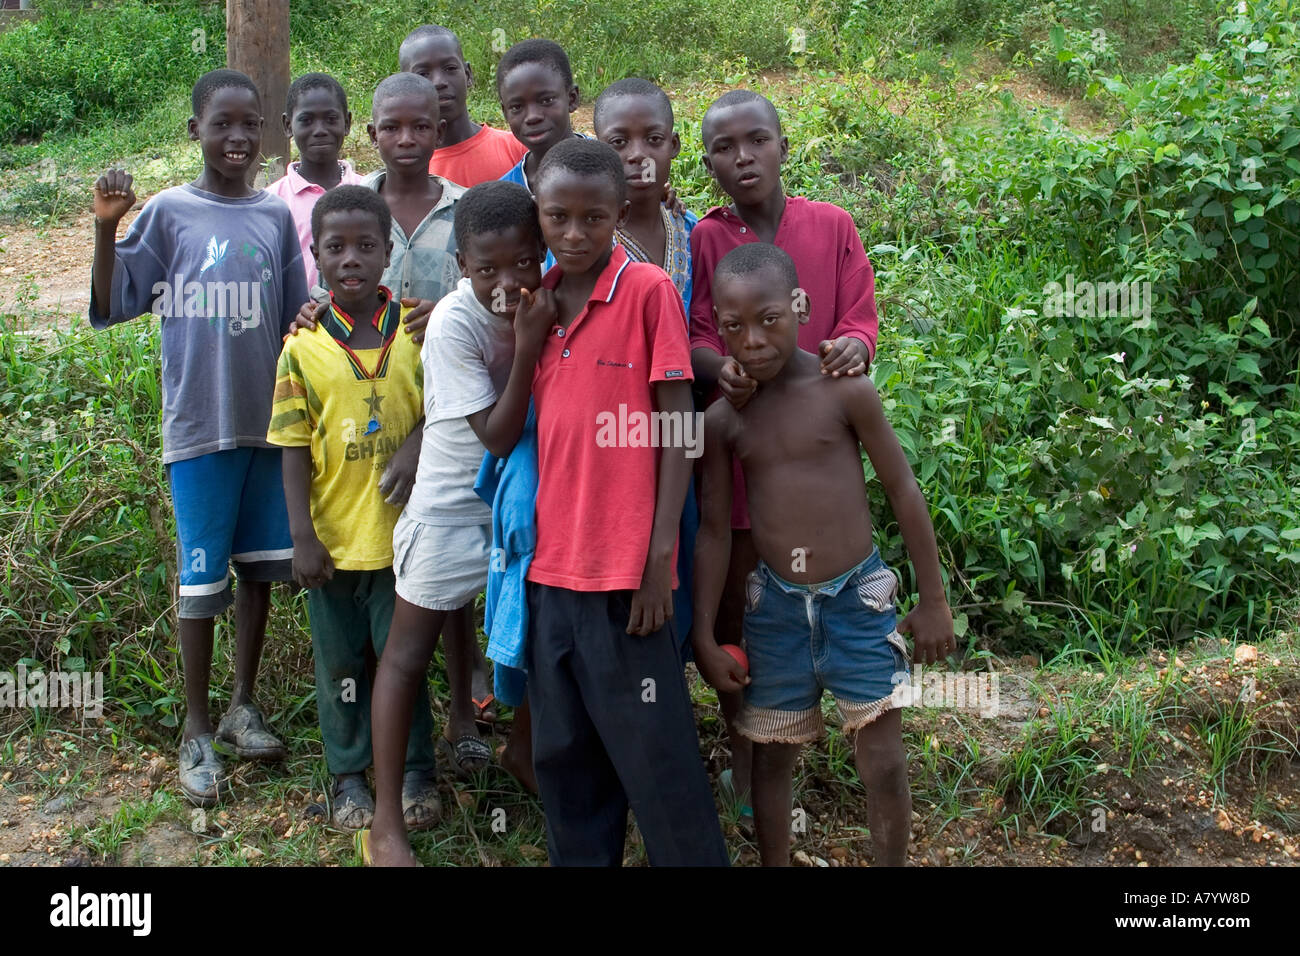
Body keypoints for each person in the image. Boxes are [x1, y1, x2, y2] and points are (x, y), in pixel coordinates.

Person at [692, 242, 954, 866]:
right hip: (776, 607)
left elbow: (902, 489)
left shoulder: (846, 391)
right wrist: (703, 632)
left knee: (883, 760)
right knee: (772, 753)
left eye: (769, 320)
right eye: (734, 327)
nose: (752, 339)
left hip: (857, 601)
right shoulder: (726, 420)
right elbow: (715, 532)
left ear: (800, 308)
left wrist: (933, 598)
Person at [89, 68, 309, 806]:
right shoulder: (170, 214)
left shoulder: (274, 218)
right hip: (199, 424)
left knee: (257, 573)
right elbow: (112, 299)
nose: (239, 138)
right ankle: (195, 726)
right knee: (199, 582)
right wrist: (104, 228)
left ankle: (244, 704)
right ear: (195, 131)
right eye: (223, 124)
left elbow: (292, 317)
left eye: (251, 124)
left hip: (266, 424)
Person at [522, 138, 728, 866]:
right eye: (558, 217)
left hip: (627, 580)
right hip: (551, 576)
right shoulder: (536, 304)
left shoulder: (644, 292)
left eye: (593, 219)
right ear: (538, 215)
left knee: (660, 766)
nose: (574, 234)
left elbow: (678, 423)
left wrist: (659, 556)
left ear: (619, 216)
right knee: (567, 768)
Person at [688, 89, 882, 817]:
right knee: (749, 605)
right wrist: (720, 369)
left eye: (756, 141)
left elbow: (861, 310)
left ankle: (823, 730)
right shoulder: (708, 238)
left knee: (830, 591)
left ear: (782, 145)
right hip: (743, 445)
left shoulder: (831, 226)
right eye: (724, 147)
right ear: (706, 161)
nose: (743, 158)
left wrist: (852, 345)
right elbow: (701, 329)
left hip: (816, 445)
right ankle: (753, 759)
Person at [367, 180, 554, 866]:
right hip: (448, 511)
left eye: (524, 263)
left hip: (520, 509)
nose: (507, 283)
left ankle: (523, 752)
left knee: (543, 639)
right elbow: (498, 436)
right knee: (406, 654)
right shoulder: (452, 324)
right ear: (461, 268)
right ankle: (386, 822)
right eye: (487, 270)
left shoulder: (547, 303)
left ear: (542, 254)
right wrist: (530, 345)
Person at [266, 185, 437, 832]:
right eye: (335, 248)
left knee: (405, 661)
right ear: (315, 256)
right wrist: (300, 537)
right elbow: (288, 444)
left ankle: (418, 770)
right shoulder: (302, 348)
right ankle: (346, 776)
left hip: (405, 542)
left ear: (388, 252)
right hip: (334, 544)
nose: (351, 259)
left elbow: (445, 410)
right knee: (340, 667)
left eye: (366, 246)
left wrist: (417, 442)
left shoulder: (418, 331)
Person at [264, 72, 364, 290]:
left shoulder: (368, 191)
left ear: (347, 123)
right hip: (297, 322)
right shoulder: (273, 202)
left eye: (330, 119)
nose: (319, 130)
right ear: (288, 125)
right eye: (306, 120)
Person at [398, 24, 527, 186]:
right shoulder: (407, 170)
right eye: (423, 74)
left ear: (468, 74)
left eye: (450, 68)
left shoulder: (517, 150)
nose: (439, 82)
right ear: (405, 84)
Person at [495, 39, 584, 193]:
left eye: (546, 100)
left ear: (572, 98)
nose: (532, 117)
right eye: (517, 107)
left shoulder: (613, 169)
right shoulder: (504, 193)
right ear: (505, 112)